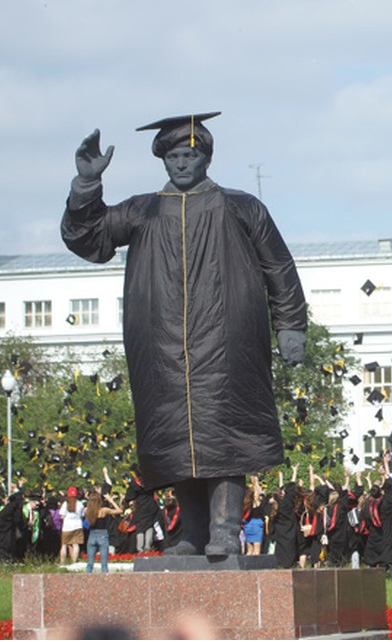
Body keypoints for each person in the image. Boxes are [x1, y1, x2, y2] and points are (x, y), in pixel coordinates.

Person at [61, 113, 308, 557]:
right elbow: (88, 239)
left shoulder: (240, 206)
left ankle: (225, 531)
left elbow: (278, 266)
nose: (180, 163)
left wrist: (291, 324)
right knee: (174, 438)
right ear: (162, 159)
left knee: (225, 434)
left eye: (189, 155)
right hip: (161, 344)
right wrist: (86, 186)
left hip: (227, 340)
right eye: (173, 156)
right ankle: (192, 533)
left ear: (206, 158)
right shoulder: (143, 209)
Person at [84, 490, 122, 573]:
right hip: (102, 535)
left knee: (90, 563)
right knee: (104, 564)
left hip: (91, 535)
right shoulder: (103, 510)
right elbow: (119, 511)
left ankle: (86, 578)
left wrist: (87, 498)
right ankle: (105, 579)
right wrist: (110, 500)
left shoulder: (86, 510)